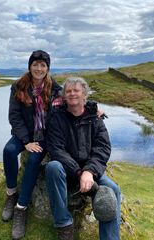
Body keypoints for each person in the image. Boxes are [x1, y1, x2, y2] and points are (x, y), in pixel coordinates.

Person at [45, 77, 121, 240]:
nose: (72, 94)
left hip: (91, 173)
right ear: (63, 96)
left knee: (113, 190)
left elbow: (103, 148)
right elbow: (56, 149)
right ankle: (64, 224)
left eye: (76, 90)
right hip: (67, 171)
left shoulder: (95, 118)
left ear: (84, 94)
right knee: (52, 167)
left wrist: (90, 171)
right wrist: (80, 173)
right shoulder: (57, 117)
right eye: (68, 91)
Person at [2, 50, 62, 240]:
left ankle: (21, 207)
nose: (39, 68)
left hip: (44, 135)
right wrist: (26, 141)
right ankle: (11, 193)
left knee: (35, 159)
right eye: (35, 64)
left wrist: (93, 107)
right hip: (24, 134)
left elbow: (74, 99)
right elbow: (14, 116)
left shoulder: (55, 89)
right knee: (9, 150)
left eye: (43, 65)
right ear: (30, 66)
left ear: (47, 68)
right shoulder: (18, 86)